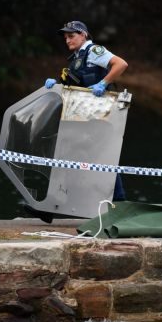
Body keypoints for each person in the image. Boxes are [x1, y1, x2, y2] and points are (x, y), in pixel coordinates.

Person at [44, 20, 129, 200]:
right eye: (66, 37)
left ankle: (119, 202)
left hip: (99, 117)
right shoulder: (76, 57)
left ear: (83, 35)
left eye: (71, 36)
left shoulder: (94, 51)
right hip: (81, 116)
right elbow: (78, 85)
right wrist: (58, 85)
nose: (67, 40)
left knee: (103, 158)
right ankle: (57, 201)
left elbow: (121, 64)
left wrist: (103, 83)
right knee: (71, 155)